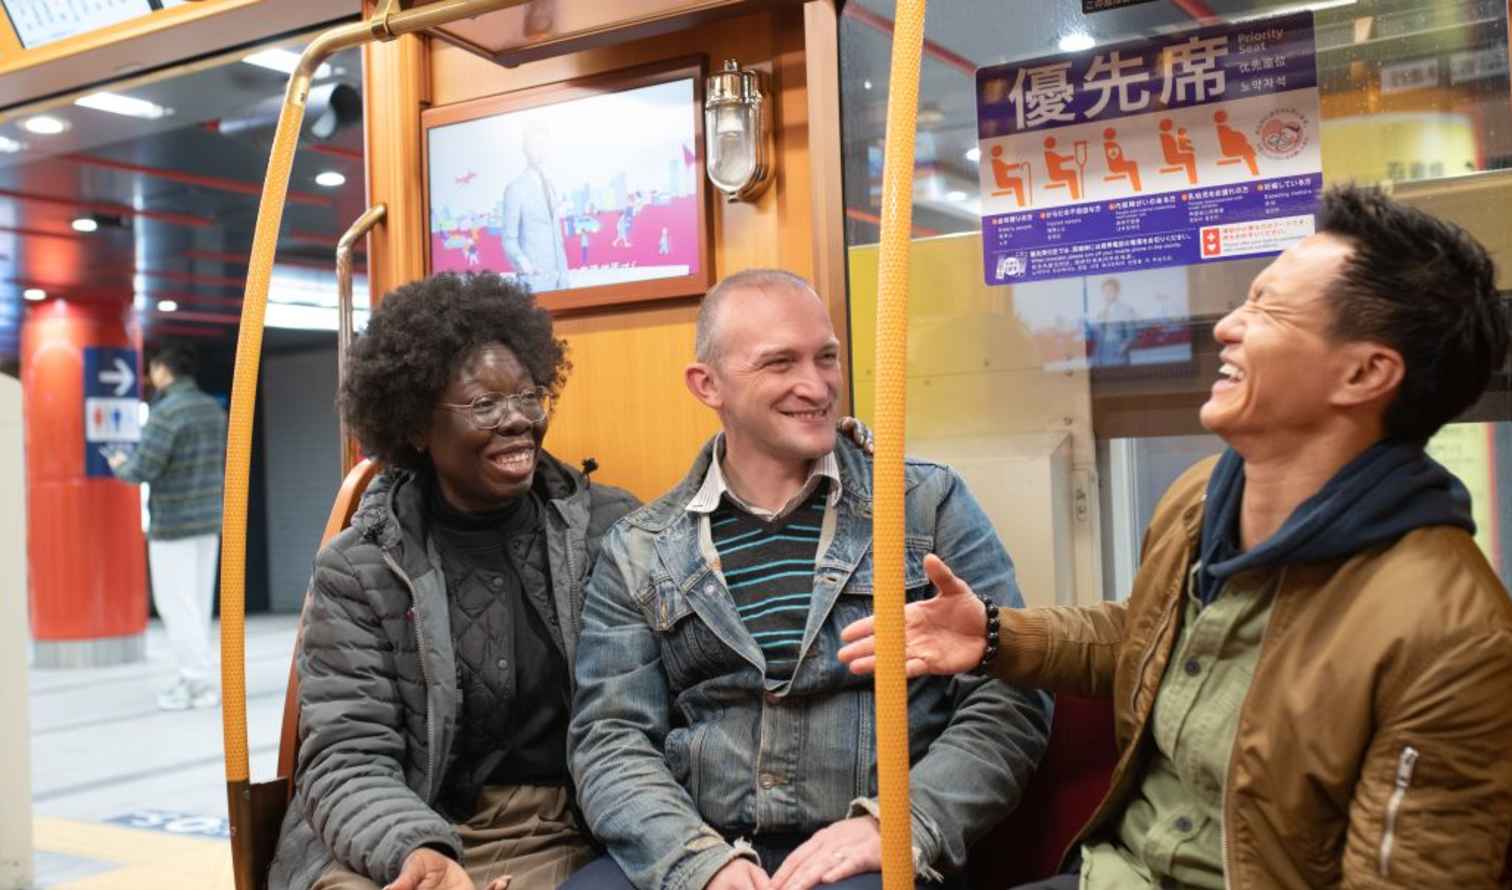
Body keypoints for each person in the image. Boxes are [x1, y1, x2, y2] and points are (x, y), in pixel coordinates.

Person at [838, 185, 1512, 889]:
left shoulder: (1450, 632)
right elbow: (1146, 636)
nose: (1227, 326)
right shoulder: (1202, 495)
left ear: (1365, 373)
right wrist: (997, 635)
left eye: (1267, 309)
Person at [567, 268, 1051, 890]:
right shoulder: (638, 547)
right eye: (780, 363)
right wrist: (698, 862)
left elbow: (1009, 698)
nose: (816, 385)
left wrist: (899, 824)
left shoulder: (927, 504)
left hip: (870, 847)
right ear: (706, 384)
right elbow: (610, 738)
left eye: (827, 357)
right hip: (702, 843)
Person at [267, 272, 641, 890]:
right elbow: (347, 755)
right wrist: (416, 851)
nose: (518, 421)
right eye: (484, 406)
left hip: (555, 828)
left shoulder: (612, 528)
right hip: (394, 823)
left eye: (529, 397)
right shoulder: (358, 568)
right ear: (415, 425)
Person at [107, 342, 227, 711]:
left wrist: (119, 463)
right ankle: (200, 677)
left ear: (163, 370)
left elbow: (143, 468)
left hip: (173, 525)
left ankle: (196, 682)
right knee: (197, 604)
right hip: (208, 520)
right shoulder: (213, 410)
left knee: (177, 605)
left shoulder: (165, 413)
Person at [502, 127, 571, 293]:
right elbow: (509, 240)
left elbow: (556, 237)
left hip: (561, 284)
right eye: (534, 145)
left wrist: (565, 277)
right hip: (533, 285)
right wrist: (525, 266)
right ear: (525, 149)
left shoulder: (550, 186)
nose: (540, 151)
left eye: (543, 145)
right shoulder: (515, 188)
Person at [1091, 278, 1137, 367]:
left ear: (1117, 292)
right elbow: (1098, 338)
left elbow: (1131, 336)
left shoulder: (1126, 310)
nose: (1107, 294)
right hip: (1100, 359)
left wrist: (1120, 350)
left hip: (1117, 359)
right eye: (1105, 291)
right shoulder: (1101, 312)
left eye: (1110, 291)